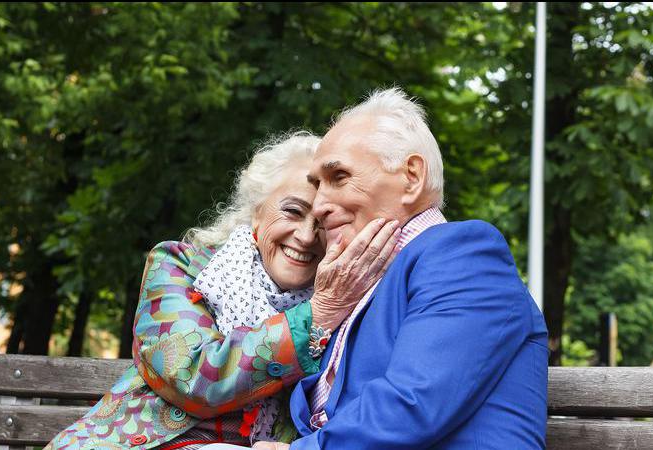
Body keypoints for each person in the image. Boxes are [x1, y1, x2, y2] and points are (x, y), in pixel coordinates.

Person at [44, 132, 400, 450]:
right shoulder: (180, 265)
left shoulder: (347, 303)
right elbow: (192, 379)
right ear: (257, 213)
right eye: (292, 211)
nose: (306, 237)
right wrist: (317, 315)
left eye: (323, 223)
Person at [254, 88, 549, 450]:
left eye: (339, 177)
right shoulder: (364, 285)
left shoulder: (464, 254)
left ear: (412, 177)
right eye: (317, 185)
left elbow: (414, 403)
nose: (318, 206)